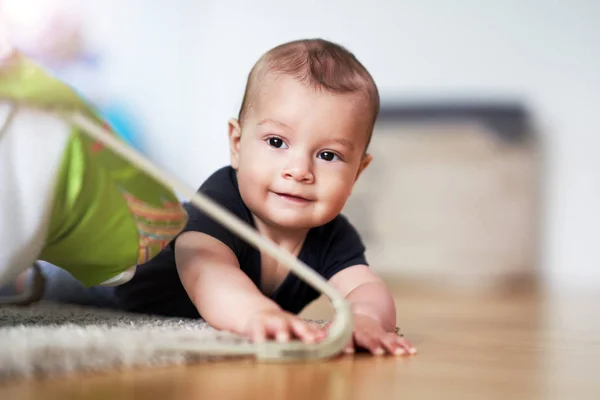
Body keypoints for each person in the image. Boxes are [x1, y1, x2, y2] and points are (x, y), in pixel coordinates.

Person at [115, 38, 416, 357]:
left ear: (357, 172)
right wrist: (257, 314)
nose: (300, 170)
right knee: (67, 274)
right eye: (276, 142)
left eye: (328, 155)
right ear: (237, 143)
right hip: (115, 277)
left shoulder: (333, 236)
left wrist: (365, 318)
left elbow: (365, 287)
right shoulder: (219, 203)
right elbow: (209, 273)